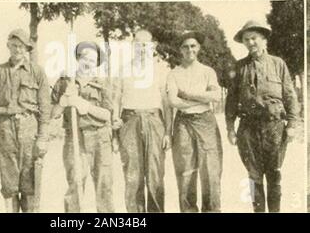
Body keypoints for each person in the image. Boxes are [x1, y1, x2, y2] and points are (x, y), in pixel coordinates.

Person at [225, 20, 299, 213]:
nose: (251, 43)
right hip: (248, 130)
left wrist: (292, 124)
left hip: (274, 128)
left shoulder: (278, 64)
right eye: (246, 40)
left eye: (254, 38)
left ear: (264, 39)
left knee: (274, 174)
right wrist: (230, 129)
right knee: (253, 175)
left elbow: (290, 95)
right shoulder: (239, 67)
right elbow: (231, 101)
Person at [0, 29, 50, 212]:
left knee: (30, 183)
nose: (17, 49)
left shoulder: (37, 72)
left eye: (21, 46)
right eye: (14, 45)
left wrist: (43, 138)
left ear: (27, 48)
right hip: (4, 131)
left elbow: (45, 109)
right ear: (8, 46)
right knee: (9, 185)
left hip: (29, 130)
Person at [51, 41, 114, 212]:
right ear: (78, 59)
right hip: (75, 139)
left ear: (97, 63)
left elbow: (108, 115)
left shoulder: (102, 84)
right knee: (75, 186)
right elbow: (52, 113)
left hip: (100, 138)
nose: (88, 63)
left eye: (93, 60)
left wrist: (85, 106)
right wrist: (64, 101)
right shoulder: (65, 82)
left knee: (104, 187)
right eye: (84, 57)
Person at [113, 29, 172, 213]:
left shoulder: (161, 70)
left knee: (155, 175)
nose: (141, 49)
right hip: (130, 122)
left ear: (152, 47)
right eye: (137, 45)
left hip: (154, 122)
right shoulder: (123, 70)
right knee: (133, 176)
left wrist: (168, 133)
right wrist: (115, 132)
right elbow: (116, 100)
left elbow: (167, 104)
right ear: (133, 46)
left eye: (145, 45)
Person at [166, 31, 223, 213]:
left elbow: (215, 96)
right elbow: (173, 101)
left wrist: (189, 95)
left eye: (193, 46)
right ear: (180, 50)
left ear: (198, 48)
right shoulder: (174, 74)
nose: (189, 49)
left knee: (211, 171)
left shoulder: (207, 71)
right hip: (183, 122)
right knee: (185, 172)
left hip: (206, 121)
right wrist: (202, 97)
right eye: (185, 46)